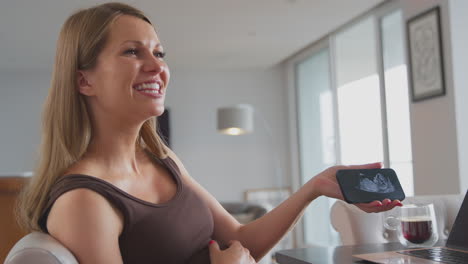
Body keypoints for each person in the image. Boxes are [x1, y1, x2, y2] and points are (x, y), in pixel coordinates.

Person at [16, 2, 402, 264]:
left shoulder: (163, 162)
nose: (157, 67)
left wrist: (315, 187)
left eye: (160, 53)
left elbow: (240, 240)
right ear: (84, 81)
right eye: (133, 52)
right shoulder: (84, 200)